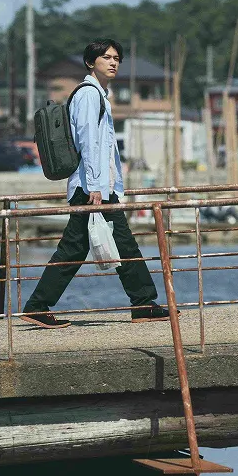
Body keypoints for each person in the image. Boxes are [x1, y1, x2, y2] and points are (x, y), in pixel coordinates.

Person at [21, 38, 170, 329]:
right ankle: (38, 306)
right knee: (82, 246)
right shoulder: (89, 94)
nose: (113, 62)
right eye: (107, 57)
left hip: (99, 188)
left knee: (105, 245)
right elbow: (88, 142)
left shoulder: (100, 94)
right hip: (92, 189)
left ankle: (142, 303)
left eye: (117, 58)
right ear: (91, 62)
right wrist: (97, 187)